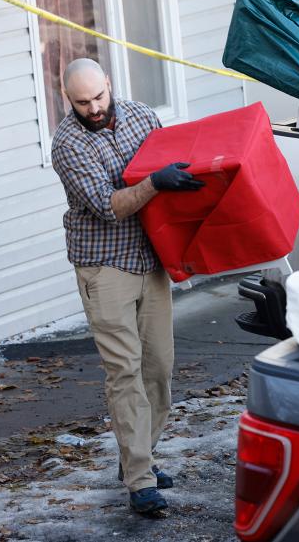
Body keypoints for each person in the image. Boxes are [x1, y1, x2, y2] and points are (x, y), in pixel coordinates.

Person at [50, 58, 204, 515]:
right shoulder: (68, 144)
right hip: (105, 266)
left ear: (109, 85)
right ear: (68, 99)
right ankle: (140, 480)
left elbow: (167, 166)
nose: (94, 108)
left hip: (149, 258)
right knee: (125, 370)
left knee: (159, 367)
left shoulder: (141, 115)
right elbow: (108, 205)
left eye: (98, 97)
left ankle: (139, 455)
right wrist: (156, 182)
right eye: (82, 102)